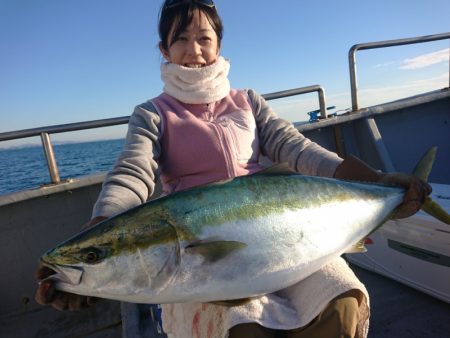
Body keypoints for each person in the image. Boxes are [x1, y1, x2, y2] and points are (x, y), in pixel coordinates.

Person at [35, 0, 431, 337]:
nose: (194, 50)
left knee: (341, 304)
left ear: (219, 44)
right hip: (199, 256)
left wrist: (373, 182)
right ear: (164, 49)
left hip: (284, 233)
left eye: (204, 38)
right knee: (243, 328)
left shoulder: (248, 101)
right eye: (181, 39)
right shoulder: (153, 114)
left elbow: (296, 149)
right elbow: (133, 170)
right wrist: (103, 222)